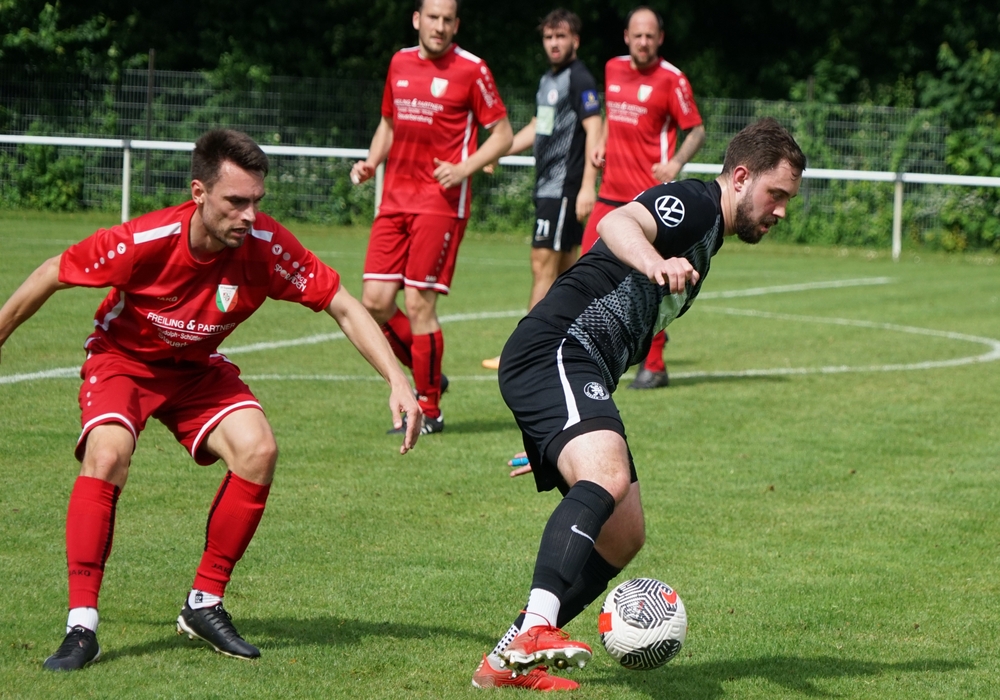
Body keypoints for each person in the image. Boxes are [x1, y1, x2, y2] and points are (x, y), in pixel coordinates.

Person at [0, 129, 422, 671]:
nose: (249, 215)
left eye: (256, 201)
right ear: (198, 192)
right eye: (235, 202)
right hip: (124, 360)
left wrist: (397, 380)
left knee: (258, 450)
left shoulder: (266, 244)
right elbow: (52, 272)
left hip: (196, 368)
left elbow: (341, 303)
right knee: (106, 454)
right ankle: (81, 627)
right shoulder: (145, 240)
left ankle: (204, 603)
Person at [473, 118, 805, 691]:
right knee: (606, 475)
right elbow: (617, 221)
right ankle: (536, 631)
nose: (780, 210)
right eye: (776, 194)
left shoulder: (710, 233)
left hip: (575, 368)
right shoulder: (696, 204)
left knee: (623, 533)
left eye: (787, 200)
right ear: (741, 177)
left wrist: (562, 437)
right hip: (557, 347)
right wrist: (654, 262)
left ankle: (506, 662)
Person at [351, 0, 514, 432]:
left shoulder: (472, 69)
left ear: (456, 24)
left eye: (447, 20)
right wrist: (371, 162)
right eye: (432, 18)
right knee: (374, 303)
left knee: (419, 303)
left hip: (440, 203)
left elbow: (503, 134)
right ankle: (430, 374)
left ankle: (429, 408)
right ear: (417, 19)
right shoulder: (399, 62)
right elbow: (388, 124)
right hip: (394, 200)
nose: (439, 26)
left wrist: (463, 169)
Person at [583, 5, 707, 390]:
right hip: (608, 195)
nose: (643, 42)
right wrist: (601, 143)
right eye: (637, 35)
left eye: (650, 36)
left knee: (646, 281)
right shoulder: (612, 68)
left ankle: (654, 364)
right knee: (587, 270)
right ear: (626, 36)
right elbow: (610, 115)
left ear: (660, 39)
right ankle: (589, 352)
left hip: (647, 202)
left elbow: (696, 130)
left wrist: (676, 164)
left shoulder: (672, 79)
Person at [481, 8, 602, 372]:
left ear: (575, 40)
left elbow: (595, 129)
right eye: (548, 37)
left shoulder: (579, 78)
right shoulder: (549, 79)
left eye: (560, 36)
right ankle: (576, 345)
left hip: (563, 189)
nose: (554, 43)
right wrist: (498, 150)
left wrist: (587, 186)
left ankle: (524, 352)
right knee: (567, 273)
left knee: (542, 266)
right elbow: (538, 126)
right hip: (548, 187)